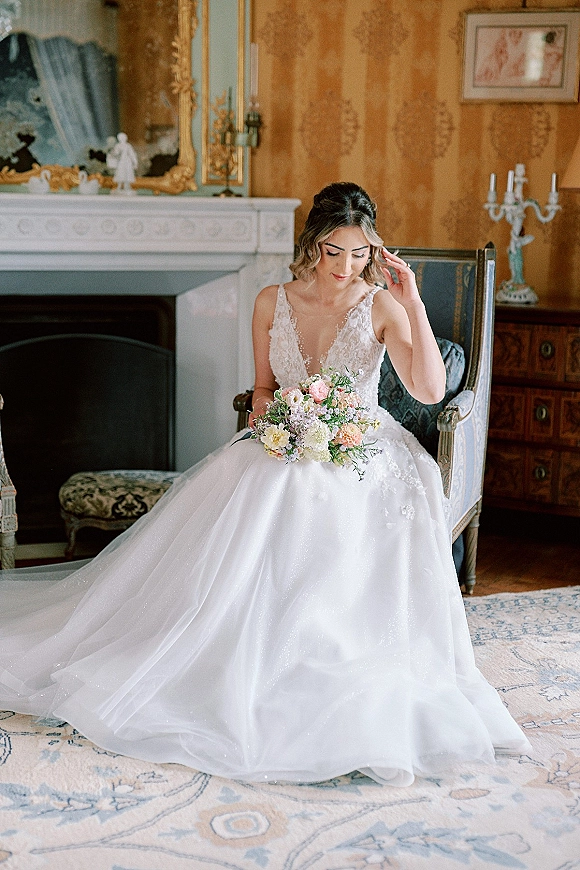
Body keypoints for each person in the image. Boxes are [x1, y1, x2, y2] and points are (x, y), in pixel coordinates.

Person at [0, 182, 530, 787]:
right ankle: (228, 653)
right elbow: (261, 390)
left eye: (360, 254)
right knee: (266, 489)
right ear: (312, 244)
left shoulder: (382, 305)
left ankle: (323, 661)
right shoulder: (269, 300)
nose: (347, 267)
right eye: (335, 251)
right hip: (287, 435)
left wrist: (413, 301)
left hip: (366, 447)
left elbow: (431, 392)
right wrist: (276, 424)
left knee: (317, 495)